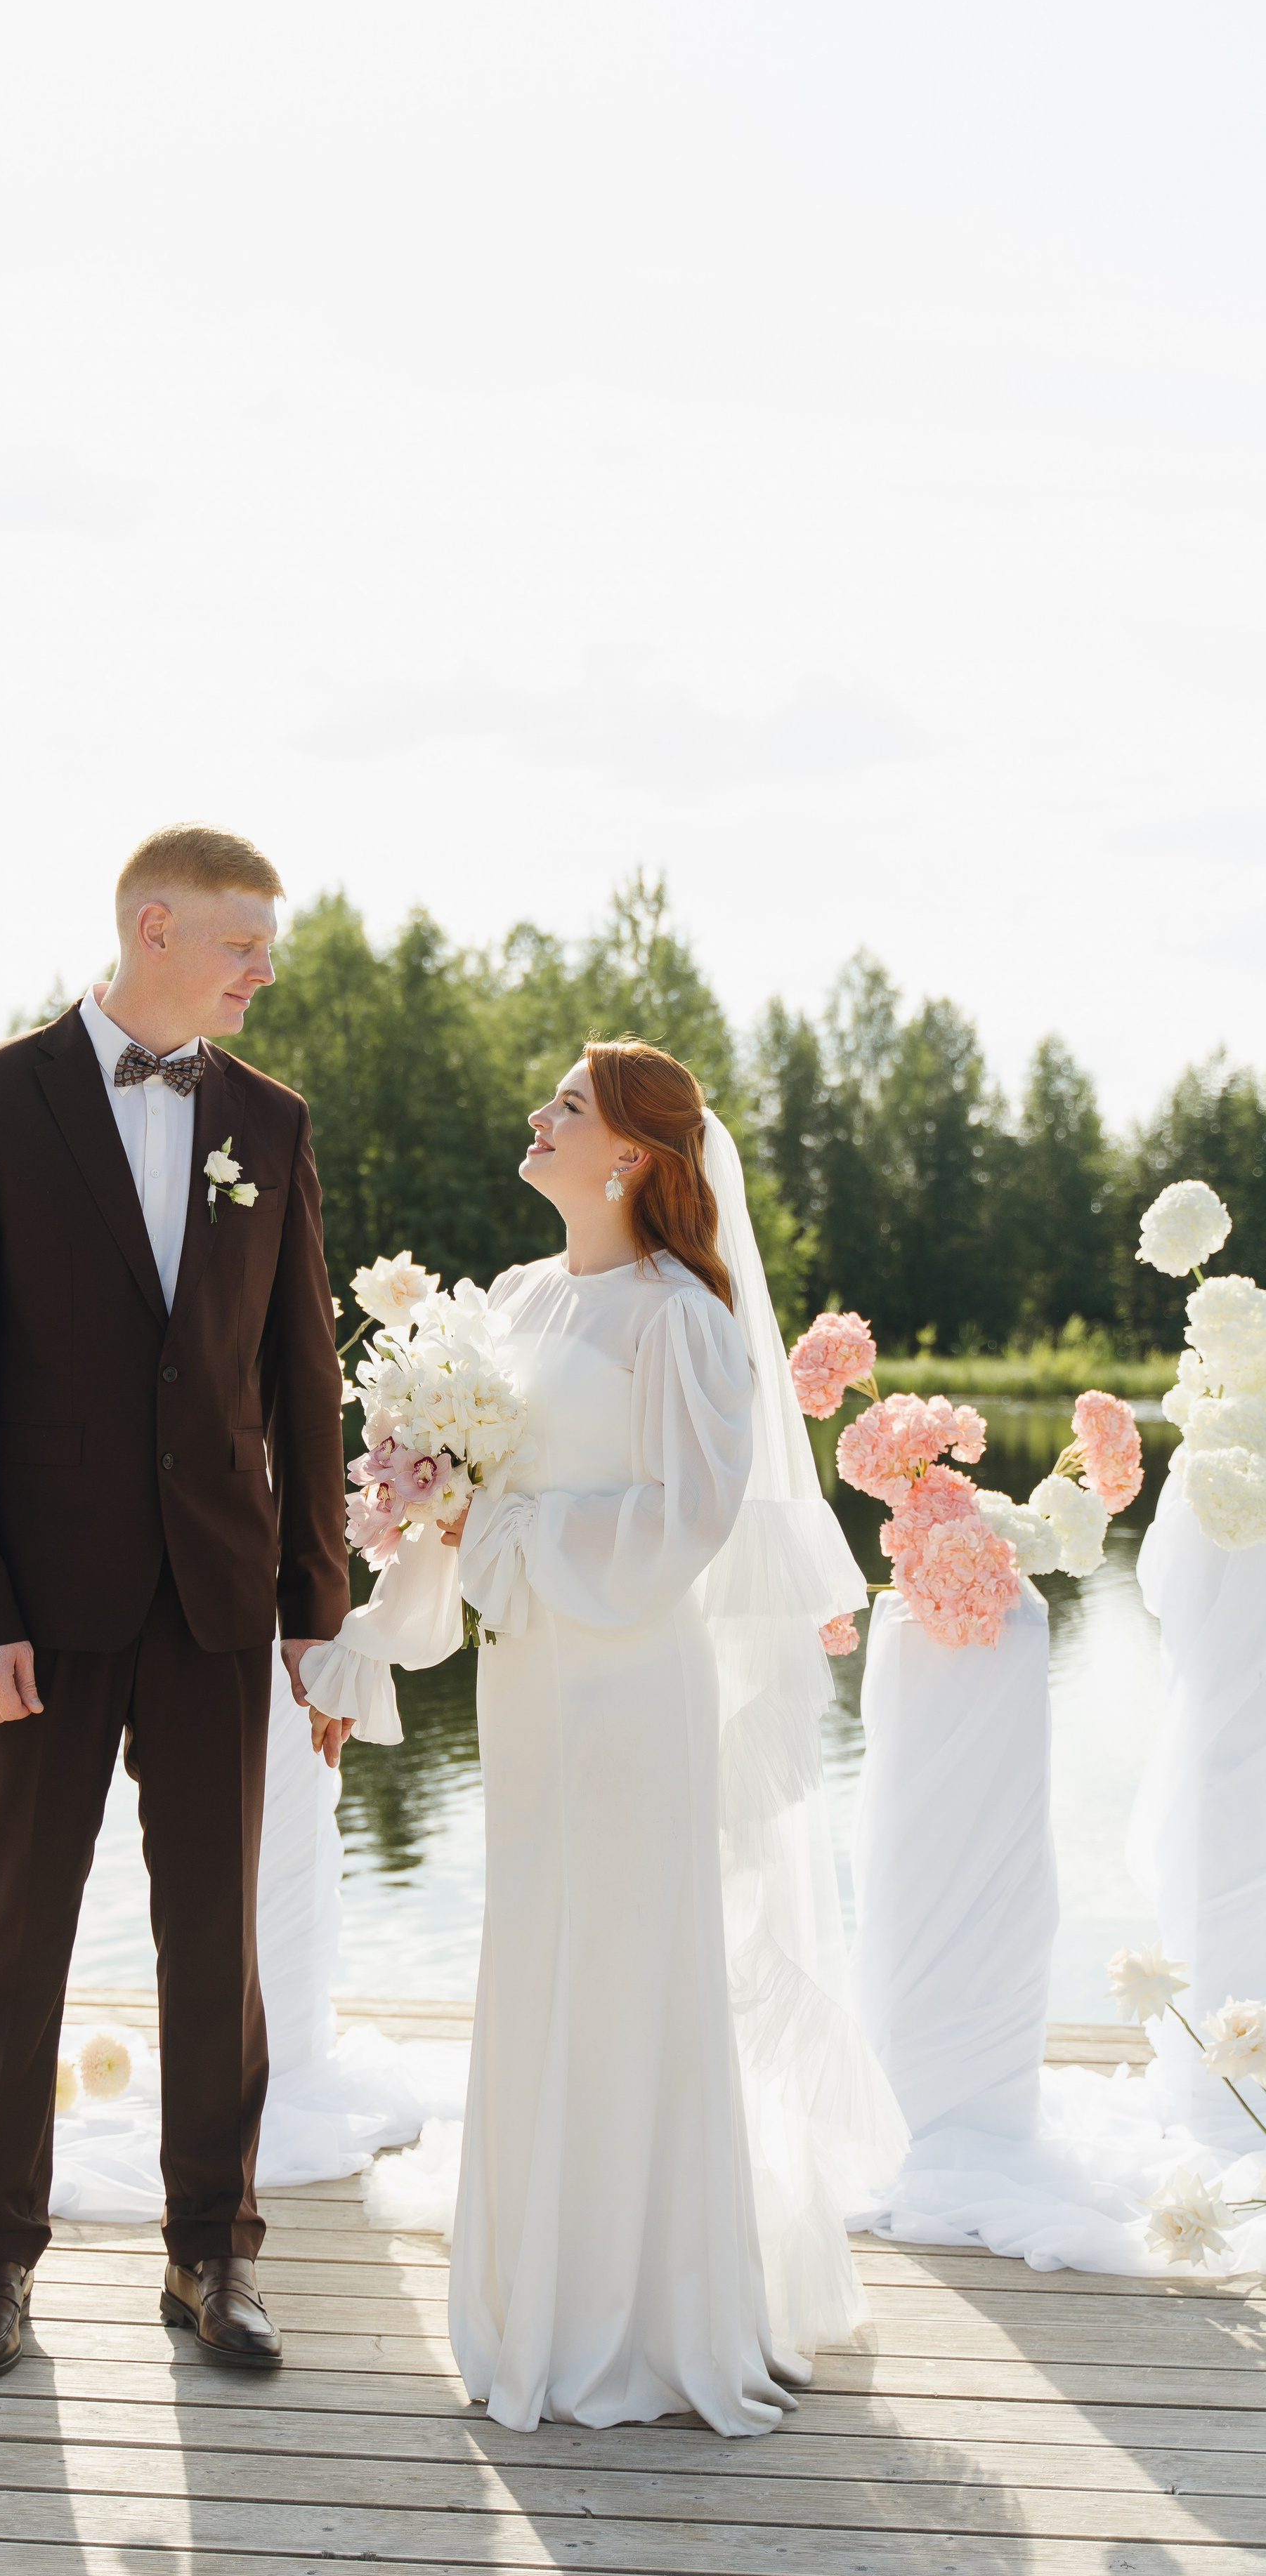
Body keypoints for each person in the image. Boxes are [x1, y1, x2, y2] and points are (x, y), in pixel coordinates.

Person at [301, 1038, 903, 2434]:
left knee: (628, 1965)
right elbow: (447, 1490)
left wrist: (490, 1525)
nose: (537, 1114)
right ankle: (537, 2295)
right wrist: (368, 1643)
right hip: (526, 1689)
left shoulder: (676, 1317)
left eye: (564, 1106)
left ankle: (639, 2317)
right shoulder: (513, 1298)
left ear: (630, 1153)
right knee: (535, 1951)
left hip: (631, 1693)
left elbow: (682, 1519)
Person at [0, 824, 351, 2380]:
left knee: (213, 1939)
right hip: (37, 1605)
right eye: (240, 941)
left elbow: (303, 1379)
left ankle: (210, 2254)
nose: (261, 969)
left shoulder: (270, 1123)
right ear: (152, 927)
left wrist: (317, 1602)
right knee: (19, 1935)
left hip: (216, 1597)